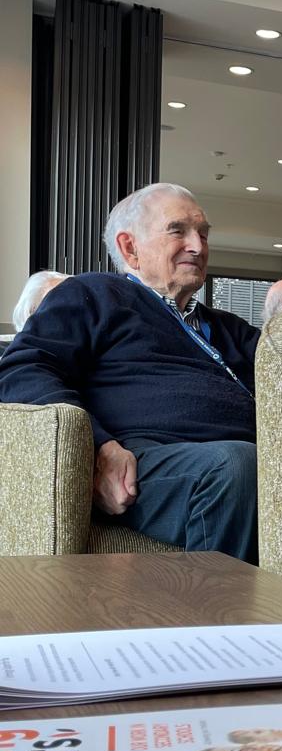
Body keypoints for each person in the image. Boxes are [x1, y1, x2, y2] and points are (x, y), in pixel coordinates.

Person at [0, 183, 259, 558]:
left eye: (203, 234)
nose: (198, 246)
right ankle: (210, 615)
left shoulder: (228, 327)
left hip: (245, 454)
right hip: (149, 460)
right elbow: (22, 369)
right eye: (178, 231)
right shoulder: (96, 294)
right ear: (129, 247)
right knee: (234, 467)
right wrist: (98, 445)